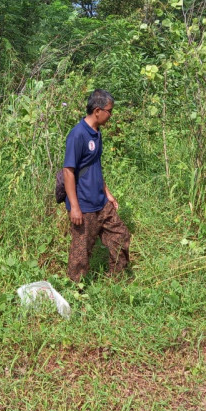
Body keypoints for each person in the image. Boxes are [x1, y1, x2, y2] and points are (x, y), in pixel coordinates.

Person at [63, 89, 131, 282]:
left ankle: (116, 279)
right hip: (83, 205)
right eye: (110, 111)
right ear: (98, 110)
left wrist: (107, 193)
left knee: (120, 235)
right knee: (81, 252)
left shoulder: (96, 133)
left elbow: (95, 166)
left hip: (101, 202)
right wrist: (74, 207)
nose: (111, 115)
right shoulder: (77, 135)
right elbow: (68, 171)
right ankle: (77, 289)